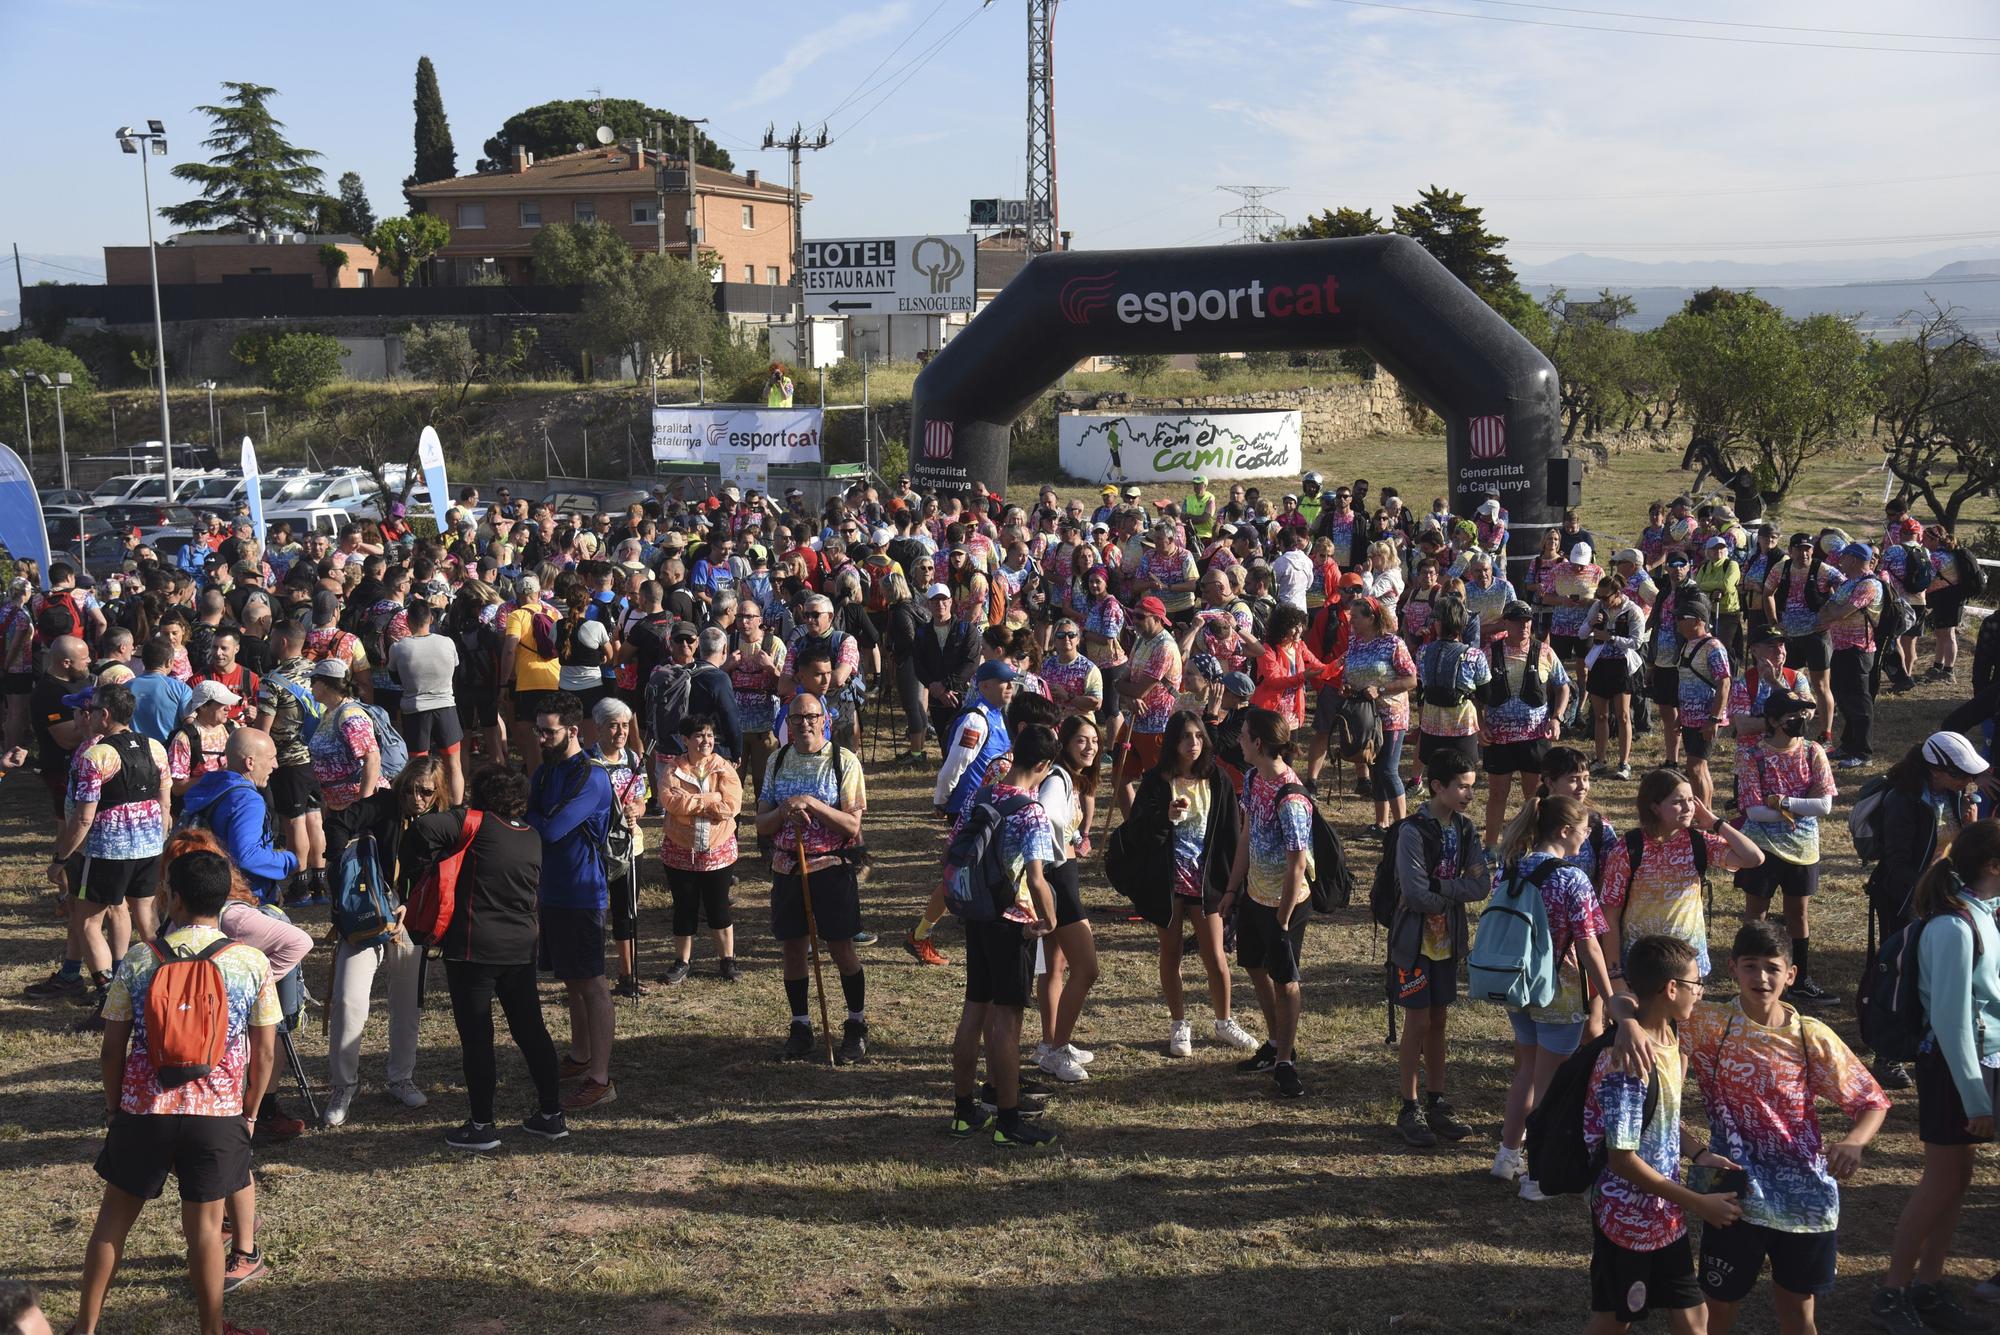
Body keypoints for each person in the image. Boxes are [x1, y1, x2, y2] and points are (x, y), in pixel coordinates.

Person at [1607, 920, 1889, 1335]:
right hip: (1729, 1193)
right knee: (1717, 1311)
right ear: (1733, 968)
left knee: (1798, 1312)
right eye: (1751, 966)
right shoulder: (1705, 1021)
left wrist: (1854, 1142)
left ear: (1791, 975)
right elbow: (1637, 998)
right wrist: (1625, 1022)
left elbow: (1871, 1101)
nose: (1762, 977)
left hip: (1806, 1200)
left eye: (1773, 968)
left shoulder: (1812, 1036)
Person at [73, 850, 277, 1335]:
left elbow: (112, 1048)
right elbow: (264, 1053)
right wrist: (248, 1112)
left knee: (112, 1223)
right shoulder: (250, 962)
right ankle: (210, 1329)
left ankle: (84, 1328)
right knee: (206, 1232)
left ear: (174, 899)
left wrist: (114, 1107)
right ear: (224, 899)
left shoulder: (142, 958)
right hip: (218, 1115)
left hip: (145, 1108)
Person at [1870, 818, 2000, 1333]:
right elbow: (1949, 1020)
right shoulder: (1953, 926)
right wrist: (1975, 1100)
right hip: (1955, 1070)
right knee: (1943, 1179)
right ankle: (1893, 1291)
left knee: (1958, 1179)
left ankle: (1928, 1284)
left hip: (1982, 1063)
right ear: (1993, 866)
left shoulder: (1986, 914)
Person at [1580, 935, 1741, 1335]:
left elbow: (1663, 1119)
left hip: (1665, 1216)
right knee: (1614, 1321)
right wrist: (1698, 1202)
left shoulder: (1669, 1038)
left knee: (1693, 1319)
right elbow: (1622, 1158)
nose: (1699, 993)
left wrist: (1698, 1153)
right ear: (1671, 989)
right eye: (1695, 984)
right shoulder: (1627, 1064)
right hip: (1627, 1222)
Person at [406, 764, 569, 1152]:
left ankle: (482, 1125)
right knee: (531, 1030)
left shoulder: (473, 821)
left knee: (478, 1037)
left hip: (472, 949)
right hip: (520, 948)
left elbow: (422, 830)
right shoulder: (531, 836)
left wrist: (429, 867)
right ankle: (551, 1115)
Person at [1488, 793, 1617, 1201]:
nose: (1585, 839)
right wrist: (1609, 996)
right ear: (1564, 830)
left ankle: (1507, 1156)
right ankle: (1538, 1177)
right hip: (1558, 993)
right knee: (1550, 1086)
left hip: (1517, 986)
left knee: (1525, 1072)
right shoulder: (1571, 878)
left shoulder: (1510, 869)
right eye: (1582, 831)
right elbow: (1590, 945)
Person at [946, 721, 1062, 1148]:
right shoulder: (1030, 811)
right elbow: (1036, 878)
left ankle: (963, 1111)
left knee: (973, 1010)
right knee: (1006, 1022)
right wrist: (1048, 920)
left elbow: (953, 844)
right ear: (1046, 766)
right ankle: (1008, 1121)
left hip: (976, 914)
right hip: (1012, 922)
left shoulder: (983, 793)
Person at [1128, 709, 1258, 1059]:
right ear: (1173, 741)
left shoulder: (1216, 780)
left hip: (1207, 882)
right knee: (1170, 953)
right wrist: (1163, 817)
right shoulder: (1157, 780)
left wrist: (1233, 883)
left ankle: (1224, 1021)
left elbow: (1231, 834)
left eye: (1199, 736)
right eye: (1186, 736)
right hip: (1167, 882)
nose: (1194, 743)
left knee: (1215, 955)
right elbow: (1139, 829)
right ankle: (1178, 1024)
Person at [1863, 732, 1989, 1090]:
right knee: (1901, 978)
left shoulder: (1953, 794)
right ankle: (1887, 1056)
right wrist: (1926, 900)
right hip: (1907, 902)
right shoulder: (1903, 801)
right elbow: (1898, 863)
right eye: (1962, 774)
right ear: (1938, 770)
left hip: (1946, 898)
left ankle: (1937, 1045)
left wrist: (1969, 826)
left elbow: (1960, 848)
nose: (1969, 781)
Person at [50, 681, 173, 1030]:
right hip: (149, 848)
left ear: (104, 715)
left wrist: (61, 858)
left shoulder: (96, 756)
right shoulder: (155, 747)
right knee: (146, 918)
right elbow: (166, 804)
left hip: (107, 850)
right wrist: (158, 839)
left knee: (86, 920)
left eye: (93, 711)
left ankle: (110, 1000)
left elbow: (84, 816)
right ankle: (159, 988)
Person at [757, 691, 869, 1062]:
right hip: (788, 867)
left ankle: (855, 1023)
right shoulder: (777, 760)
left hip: (831, 867)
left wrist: (813, 804)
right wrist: (785, 812)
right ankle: (800, 1024)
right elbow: (762, 824)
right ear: (786, 724)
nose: (803, 724)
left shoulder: (844, 761)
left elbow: (852, 824)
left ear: (824, 720)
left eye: (810, 717)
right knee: (792, 947)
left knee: (841, 948)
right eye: (796, 719)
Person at [1387, 750, 1491, 1146]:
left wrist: (1441, 889)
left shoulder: (1465, 830)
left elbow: (1480, 886)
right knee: (1417, 1024)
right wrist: (1453, 892)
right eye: (1462, 786)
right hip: (1414, 944)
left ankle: (1437, 1100)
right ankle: (1408, 1106)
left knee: (1439, 1022)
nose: (1469, 794)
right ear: (1437, 787)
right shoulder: (1411, 832)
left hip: (1448, 943)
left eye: (1472, 786)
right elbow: (1414, 896)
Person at [1219, 707, 1319, 1096]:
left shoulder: (1292, 798)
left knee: (1286, 981)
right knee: (1256, 968)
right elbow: (1246, 836)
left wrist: (1281, 919)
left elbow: (1297, 866)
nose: (1238, 741)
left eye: (1243, 735)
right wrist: (1232, 890)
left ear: (1258, 743)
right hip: (1255, 896)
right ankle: (1277, 1044)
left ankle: (1285, 1061)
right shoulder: (1252, 777)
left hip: (1285, 905)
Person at [527, 692, 618, 1111]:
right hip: (551, 891)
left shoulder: (592, 777)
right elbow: (528, 818)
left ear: (573, 730)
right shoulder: (545, 772)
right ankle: (580, 1055)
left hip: (583, 894)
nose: (542, 739)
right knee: (570, 979)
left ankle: (601, 1077)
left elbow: (547, 830)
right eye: (538, 730)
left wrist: (532, 822)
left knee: (592, 983)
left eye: (550, 731)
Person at [1602, 768, 1764, 981]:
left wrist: (1716, 822)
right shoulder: (1628, 850)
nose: (1688, 808)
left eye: (1691, 800)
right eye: (1678, 801)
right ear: (1655, 807)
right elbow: (1609, 916)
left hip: (1690, 965)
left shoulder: (1699, 841)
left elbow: (1754, 858)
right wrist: (1614, 975)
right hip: (1642, 966)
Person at [1733, 691, 1837, 1007]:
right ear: (1774, 720)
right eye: (1793, 715)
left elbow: (1825, 805)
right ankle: (1747, 978)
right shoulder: (1751, 755)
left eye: (1803, 714)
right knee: (1756, 915)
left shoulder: (1814, 751)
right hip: (1761, 849)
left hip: (1803, 848)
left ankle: (1799, 979)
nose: (1801, 720)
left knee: (1798, 915)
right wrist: (1796, 807)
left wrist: (1782, 803)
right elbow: (1753, 811)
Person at [1033, 713, 1103, 1082]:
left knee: (1053, 966)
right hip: (1057, 877)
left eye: (1093, 740)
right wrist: (1071, 839)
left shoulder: (1069, 779)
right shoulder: (1058, 779)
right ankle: (1057, 1050)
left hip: (1056, 875)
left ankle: (1049, 1042)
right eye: (1081, 740)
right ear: (1065, 744)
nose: (1089, 746)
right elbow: (1045, 814)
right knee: (1087, 968)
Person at [657, 711, 742, 984]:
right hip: (680, 850)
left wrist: (696, 800)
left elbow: (731, 807)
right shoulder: (673, 769)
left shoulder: (724, 767)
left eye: (709, 735)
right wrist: (712, 799)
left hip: (718, 851)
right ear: (685, 740)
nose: (706, 740)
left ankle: (727, 960)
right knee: (684, 908)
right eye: (699, 736)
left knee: (719, 908)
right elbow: (672, 804)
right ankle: (682, 961)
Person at [1480, 599, 1570, 851]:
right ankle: (1490, 847)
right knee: (1497, 795)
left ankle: (1534, 845)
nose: (1524, 626)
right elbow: (1475, 693)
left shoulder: (1545, 652)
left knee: (1534, 797)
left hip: (1535, 736)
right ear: (1505, 623)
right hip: (1498, 737)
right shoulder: (1489, 653)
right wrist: (1479, 723)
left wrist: (1557, 717)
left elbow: (1563, 686)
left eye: (1528, 621)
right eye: (1518, 621)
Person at [254, 621, 326, 904]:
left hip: (288, 761)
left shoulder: (272, 681)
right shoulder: (317, 672)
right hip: (316, 756)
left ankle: (300, 882)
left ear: (282, 642)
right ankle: (320, 882)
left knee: (293, 822)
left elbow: (263, 729)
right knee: (315, 818)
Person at [182, 730, 297, 907]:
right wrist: (289, 860)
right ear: (250, 762)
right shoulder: (248, 801)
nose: (276, 765)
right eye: (271, 758)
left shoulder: (210, 787)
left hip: (207, 890)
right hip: (241, 897)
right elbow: (247, 856)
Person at [306, 659, 393, 881]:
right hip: (341, 807)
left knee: (355, 868)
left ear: (325, 684)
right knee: (343, 869)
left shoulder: (350, 715)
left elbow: (372, 758)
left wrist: (363, 807)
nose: (310, 686)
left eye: (313, 681)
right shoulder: (331, 713)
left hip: (356, 807)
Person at [1342, 597, 1417, 833]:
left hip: (1391, 714)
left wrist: (1381, 689)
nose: (1350, 620)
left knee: (1387, 769)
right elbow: (1351, 671)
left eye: (1355, 616)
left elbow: (1411, 679)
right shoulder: (1354, 642)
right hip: (1365, 716)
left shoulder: (1392, 643)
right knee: (1374, 768)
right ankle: (1381, 823)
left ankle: (1402, 826)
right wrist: (1347, 685)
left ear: (1371, 618)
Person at [386, 597, 464, 806]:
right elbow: (455, 669)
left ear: (408, 621)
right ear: (431, 619)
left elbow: (394, 677)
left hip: (415, 711)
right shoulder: (447, 642)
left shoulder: (399, 648)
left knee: (418, 766)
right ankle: (457, 807)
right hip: (446, 708)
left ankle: (419, 806)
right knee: (453, 763)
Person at [1818, 541, 1882, 768]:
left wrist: (1834, 612)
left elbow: (1841, 612)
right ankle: (1848, 743)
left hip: (1859, 650)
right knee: (1843, 696)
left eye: (1844, 557)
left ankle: (1863, 752)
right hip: (1841, 648)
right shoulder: (1849, 583)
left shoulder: (1870, 585)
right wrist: (1833, 612)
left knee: (1859, 701)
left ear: (1854, 559)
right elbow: (1826, 611)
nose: (1839, 560)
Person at [1584, 575, 1645, 781]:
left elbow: (1636, 642)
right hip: (1600, 664)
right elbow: (1582, 634)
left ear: (1618, 594)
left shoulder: (1633, 611)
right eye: (1597, 596)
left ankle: (1624, 762)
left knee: (1623, 716)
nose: (1600, 600)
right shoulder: (1597, 608)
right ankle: (1600, 760)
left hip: (1621, 666)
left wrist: (1611, 638)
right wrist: (1592, 624)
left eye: (1604, 597)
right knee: (1600, 716)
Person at [1673, 596, 1731, 811]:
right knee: (1699, 767)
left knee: (1695, 768)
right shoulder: (1687, 645)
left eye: (1682, 618)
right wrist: (1681, 714)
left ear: (1698, 620)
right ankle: (1706, 814)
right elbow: (1687, 682)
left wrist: (1714, 718)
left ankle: (1704, 816)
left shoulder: (1713, 646)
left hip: (1705, 718)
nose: (1677, 621)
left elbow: (1724, 682)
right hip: (1690, 717)